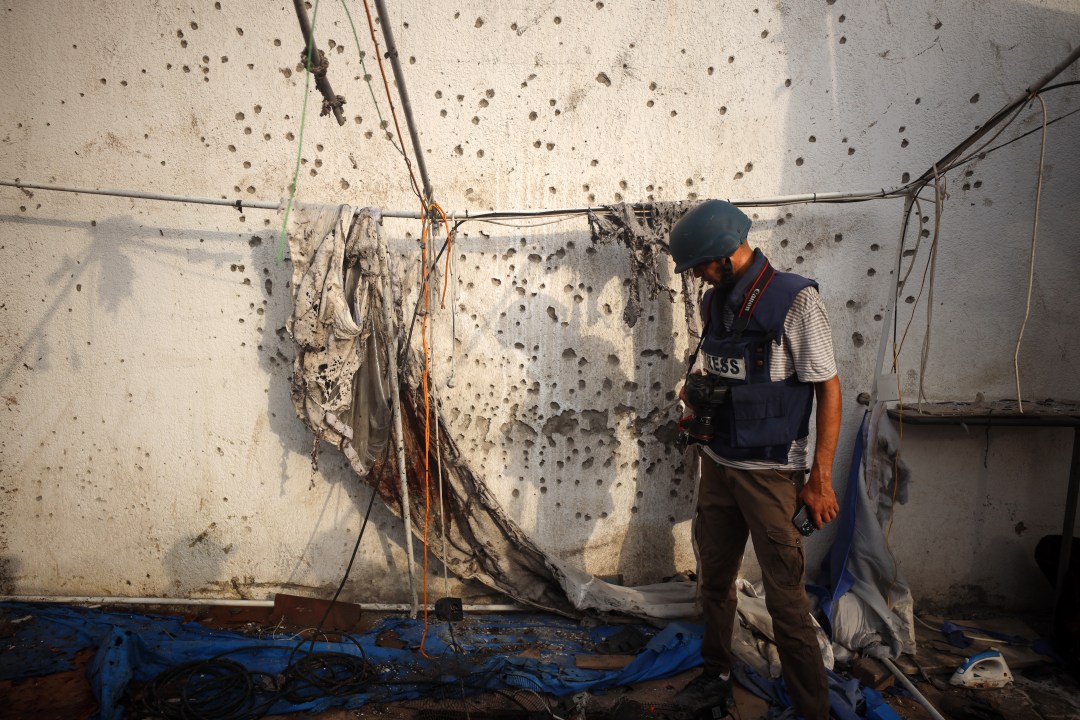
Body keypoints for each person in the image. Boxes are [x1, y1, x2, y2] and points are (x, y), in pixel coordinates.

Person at [668, 199, 841, 719]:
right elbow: (724, 375)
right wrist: (694, 402)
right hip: (719, 465)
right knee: (714, 579)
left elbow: (829, 389)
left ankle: (812, 709)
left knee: (786, 599)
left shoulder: (796, 301)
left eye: (699, 264)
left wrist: (820, 481)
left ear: (724, 253)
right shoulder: (715, 304)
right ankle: (716, 671)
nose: (696, 276)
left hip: (771, 473)